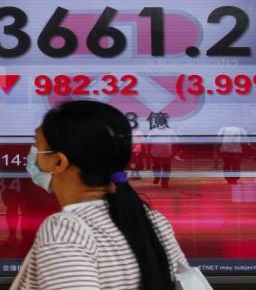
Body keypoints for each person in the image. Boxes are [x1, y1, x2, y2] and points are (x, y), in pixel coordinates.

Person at [11, 100, 188, 290]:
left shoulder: (66, 230)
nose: (32, 154)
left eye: (37, 146)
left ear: (58, 162)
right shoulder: (152, 220)